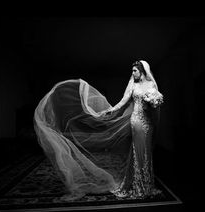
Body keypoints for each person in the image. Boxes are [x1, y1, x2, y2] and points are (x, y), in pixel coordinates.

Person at [34, 60, 163, 200]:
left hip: (148, 123)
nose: (132, 73)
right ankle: (139, 185)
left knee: (147, 151)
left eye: (135, 71)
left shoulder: (151, 84)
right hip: (136, 121)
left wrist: (154, 101)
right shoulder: (133, 84)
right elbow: (123, 102)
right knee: (138, 151)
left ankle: (147, 184)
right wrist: (111, 110)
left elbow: (156, 105)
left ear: (143, 71)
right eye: (132, 71)